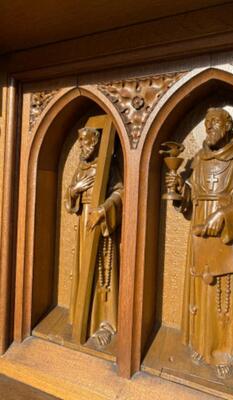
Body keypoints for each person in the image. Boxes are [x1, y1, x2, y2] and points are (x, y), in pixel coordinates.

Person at [166, 107, 233, 378]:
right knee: (199, 286)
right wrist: (179, 191)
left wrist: (223, 215)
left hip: (223, 233)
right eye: (206, 123)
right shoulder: (199, 158)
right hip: (198, 228)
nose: (209, 127)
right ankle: (200, 342)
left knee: (222, 291)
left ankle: (222, 348)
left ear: (228, 126)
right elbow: (193, 196)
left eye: (214, 123)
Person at [65, 127, 123, 347]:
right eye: (80, 142)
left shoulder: (109, 165)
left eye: (86, 141)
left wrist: (104, 210)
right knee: (82, 269)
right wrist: (74, 190)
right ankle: (82, 317)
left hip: (102, 224)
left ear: (97, 142)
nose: (82, 146)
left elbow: (121, 192)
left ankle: (104, 323)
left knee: (102, 274)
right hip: (83, 224)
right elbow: (69, 199)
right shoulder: (82, 166)